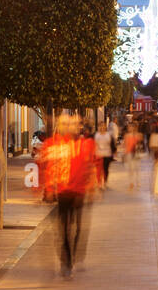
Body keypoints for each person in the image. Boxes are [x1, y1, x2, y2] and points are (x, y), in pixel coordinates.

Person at [41, 115, 95, 277]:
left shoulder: (85, 144)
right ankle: (67, 261)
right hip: (64, 192)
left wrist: (91, 186)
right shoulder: (55, 144)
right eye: (65, 124)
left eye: (73, 124)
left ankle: (73, 255)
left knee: (78, 227)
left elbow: (89, 165)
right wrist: (49, 189)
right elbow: (50, 167)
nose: (70, 127)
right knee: (64, 228)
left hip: (78, 192)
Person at [122, 121, 143, 189]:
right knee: (130, 169)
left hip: (136, 153)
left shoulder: (139, 135)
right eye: (129, 127)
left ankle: (138, 182)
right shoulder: (126, 136)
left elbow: (141, 145)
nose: (130, 128)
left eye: (131, 127)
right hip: (129, 153)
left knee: (137, 168)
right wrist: (124, 154)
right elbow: (125, 145)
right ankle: (131, 183)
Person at [94, 121, 115, 187]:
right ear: (98, 127)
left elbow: (112, 145)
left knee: (105, 169)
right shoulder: (96, 135)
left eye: (103, 126)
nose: (102, 127)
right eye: (100, 126)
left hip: (107, 154)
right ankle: (99, 182)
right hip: (98, 155)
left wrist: (113, 152)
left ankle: (105, 181)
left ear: (106, 127)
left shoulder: (109, 135)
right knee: (98, 170)